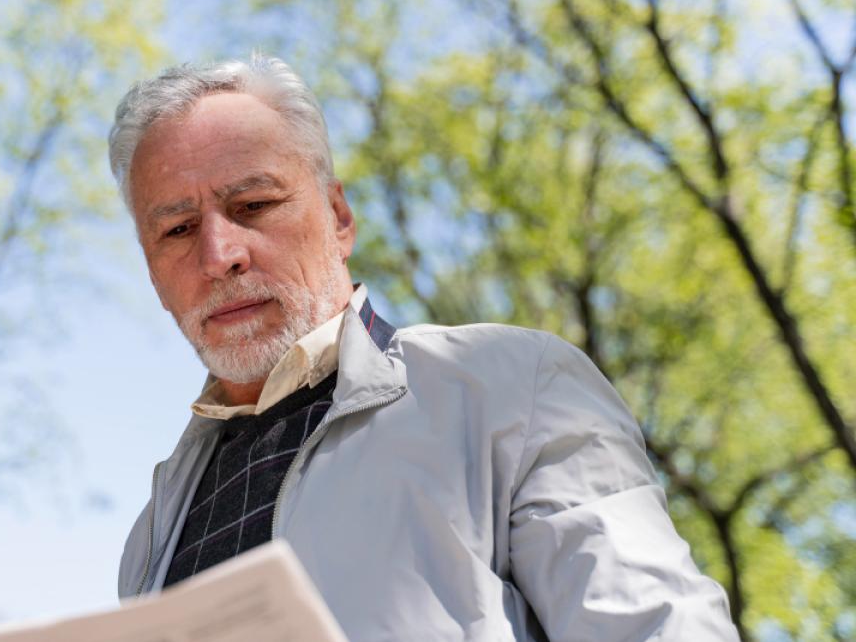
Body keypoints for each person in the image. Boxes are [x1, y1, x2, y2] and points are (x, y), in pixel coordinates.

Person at [107, 52, 740, 641]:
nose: (219, 256)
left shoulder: (514, 389)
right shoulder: (153, 532)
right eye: (178, 229)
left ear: (339, 218)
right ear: (153, 272)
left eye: (253, 204)